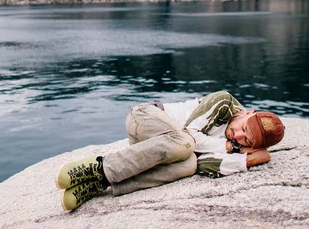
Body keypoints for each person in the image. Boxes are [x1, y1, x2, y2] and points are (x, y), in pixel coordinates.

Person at [55, 90, 285, 210]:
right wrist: (228, 147)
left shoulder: (240, 148)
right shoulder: (224, 103)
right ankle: (100, 168)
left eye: (247, 142)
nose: (239, 137)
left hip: (151, 150)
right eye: (244, 128)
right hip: (145, 118)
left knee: (190, 165)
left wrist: (247, 161)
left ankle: (101, 184)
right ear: (248, 112)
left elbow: (205, 165)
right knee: (185, 145)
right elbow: (190, 135)